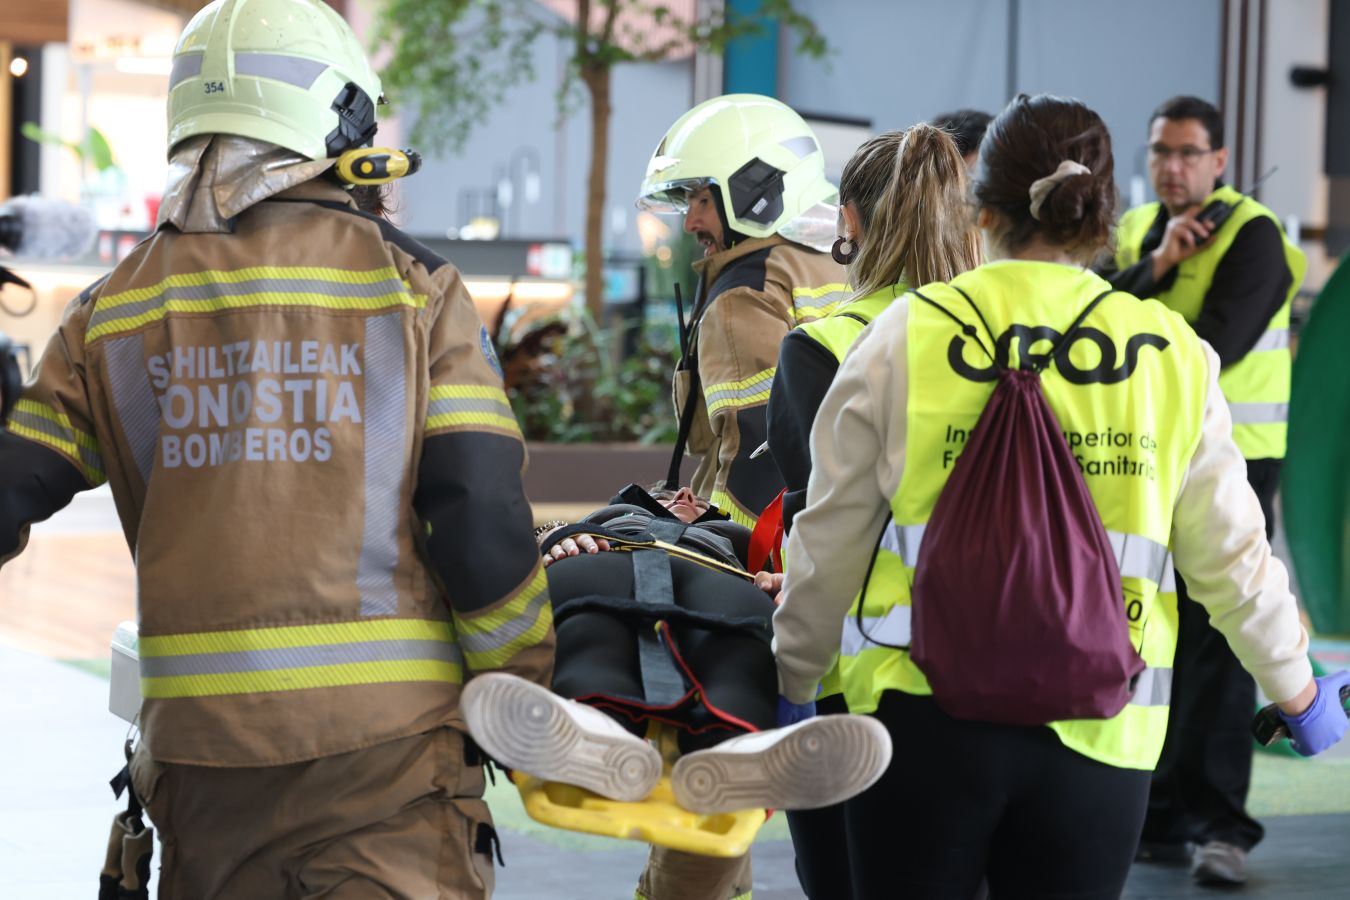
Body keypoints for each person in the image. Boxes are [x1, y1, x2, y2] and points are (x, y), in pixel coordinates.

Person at [0, 1, 552, 897]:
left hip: (201, 767)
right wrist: (520, 694)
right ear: (341, 123)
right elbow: (479, 511)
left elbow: (12, 485)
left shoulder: (112, 310)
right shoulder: (411, 290)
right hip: (388, 766)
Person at [772, 93, 1347, 899]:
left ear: (979, 206)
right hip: (1101, 732)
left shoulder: (904, 332)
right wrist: (1299, 693)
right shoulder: (1169, 354)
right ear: (1105, 211)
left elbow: (827, 542)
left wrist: (795, 683)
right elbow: (1232, 562)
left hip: (916, 721)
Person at [463, 483, 890, 900]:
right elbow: (536, 546)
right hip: (609, 558)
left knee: (739, 645)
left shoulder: (743, 543)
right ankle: (597, 728)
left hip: (722, 578)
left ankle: (729, 747)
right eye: (666, 494)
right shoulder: (594, 528)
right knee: (592, 629)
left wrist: (790, 586)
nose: (685, 496)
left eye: (698, 499)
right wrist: (553, 539)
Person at [763, 124, 980, 899]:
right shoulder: (1001, 335)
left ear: (848, 223)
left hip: (863, 679)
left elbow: (819, 528)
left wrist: (793, 674)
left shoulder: (827, 345)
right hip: (1009, 662)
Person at [1098, 95, 1307, 885]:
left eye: (1188, 153)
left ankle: (1223, 827)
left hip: (1238, 460)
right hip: (1143, 458)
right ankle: (1156, 814)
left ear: (1219, 161)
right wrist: (1153, 269)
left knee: (1220, 648)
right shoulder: (1135, 232)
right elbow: (1093, 314)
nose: (1171, 167)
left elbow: (1214, 347)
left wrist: (1150, 294)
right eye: (1160, 152)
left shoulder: (1254, 236)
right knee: (1149, 634)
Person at [636, 94, 847, 527]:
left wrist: (727, 553)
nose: (690, 223)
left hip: (771, 552)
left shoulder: (744, 294)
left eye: (702, 201)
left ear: (755, 191)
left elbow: (756, 454)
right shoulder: (840, 263)